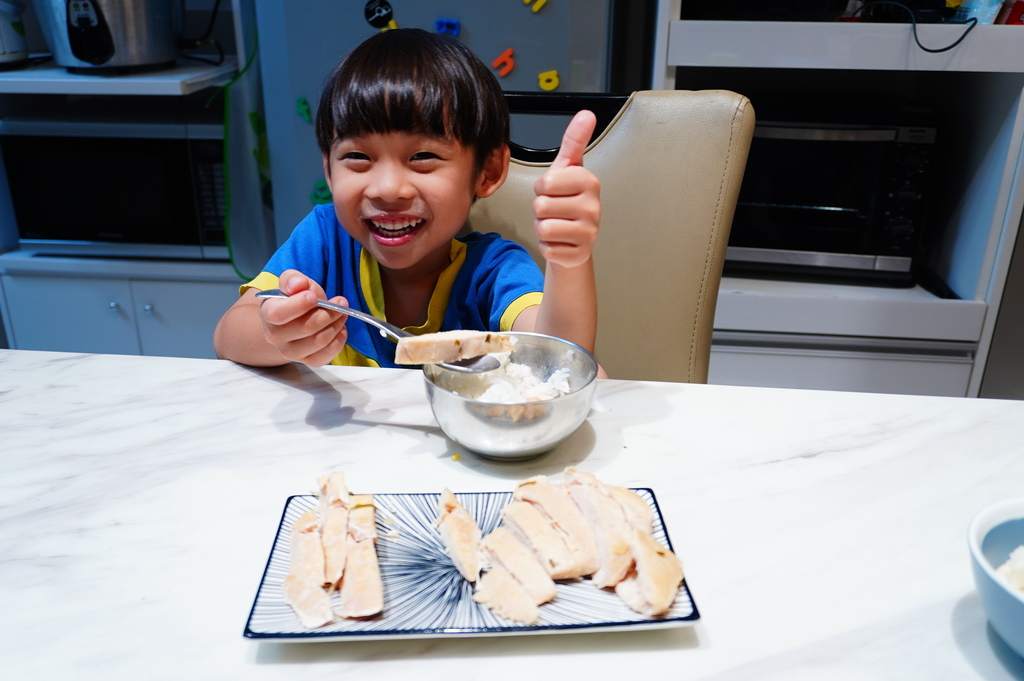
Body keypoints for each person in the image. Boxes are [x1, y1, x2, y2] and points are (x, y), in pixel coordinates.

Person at [213, 28, 602, 374]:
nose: (387, 189)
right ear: (330, 172)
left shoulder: (494, 270)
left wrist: (570, 260)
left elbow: (561, 358)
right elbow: (229, 335)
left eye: (422, 157)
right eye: (358, 158)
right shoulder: (324, 240)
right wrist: (276, 332)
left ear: (487, 171)